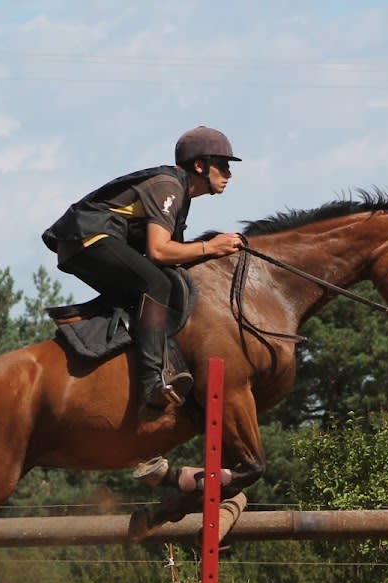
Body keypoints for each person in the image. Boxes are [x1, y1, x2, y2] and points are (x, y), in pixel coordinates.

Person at [42, 126, 244, 418]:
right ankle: (151, 380)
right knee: (157, 285)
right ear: (200, 165)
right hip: (90, 237)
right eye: (223, 166)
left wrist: (211, 250)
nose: (229, 174)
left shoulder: (180, 195)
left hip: (80, 243)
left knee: (161, 288)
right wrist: (210, 247)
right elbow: (159, 251)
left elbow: (170, 254)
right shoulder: (169, 186)